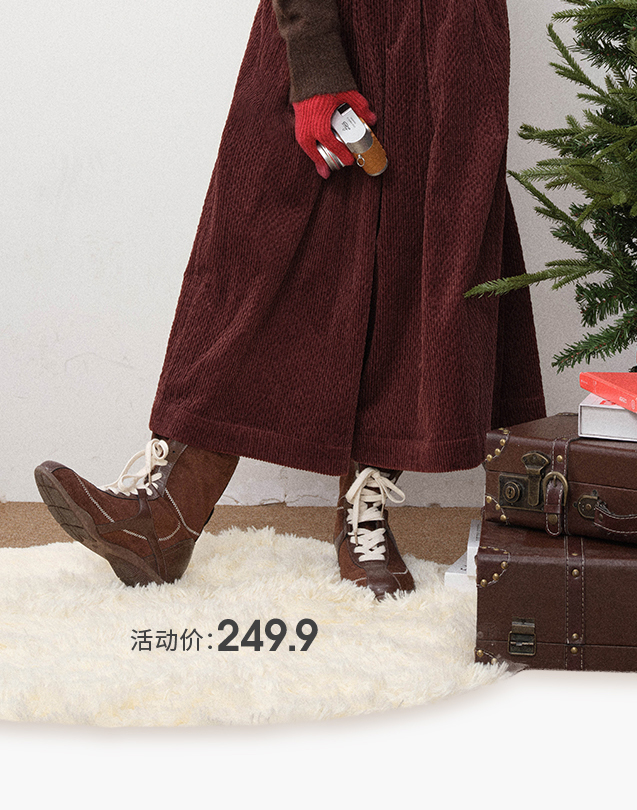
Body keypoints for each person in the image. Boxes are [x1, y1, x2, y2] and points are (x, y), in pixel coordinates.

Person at [34, 0, 546, 599]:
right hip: (332, 19)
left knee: (422, 257)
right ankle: (167, 515)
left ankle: (364, 509)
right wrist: (315, 56)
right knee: (257, 254)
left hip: (451, 30)